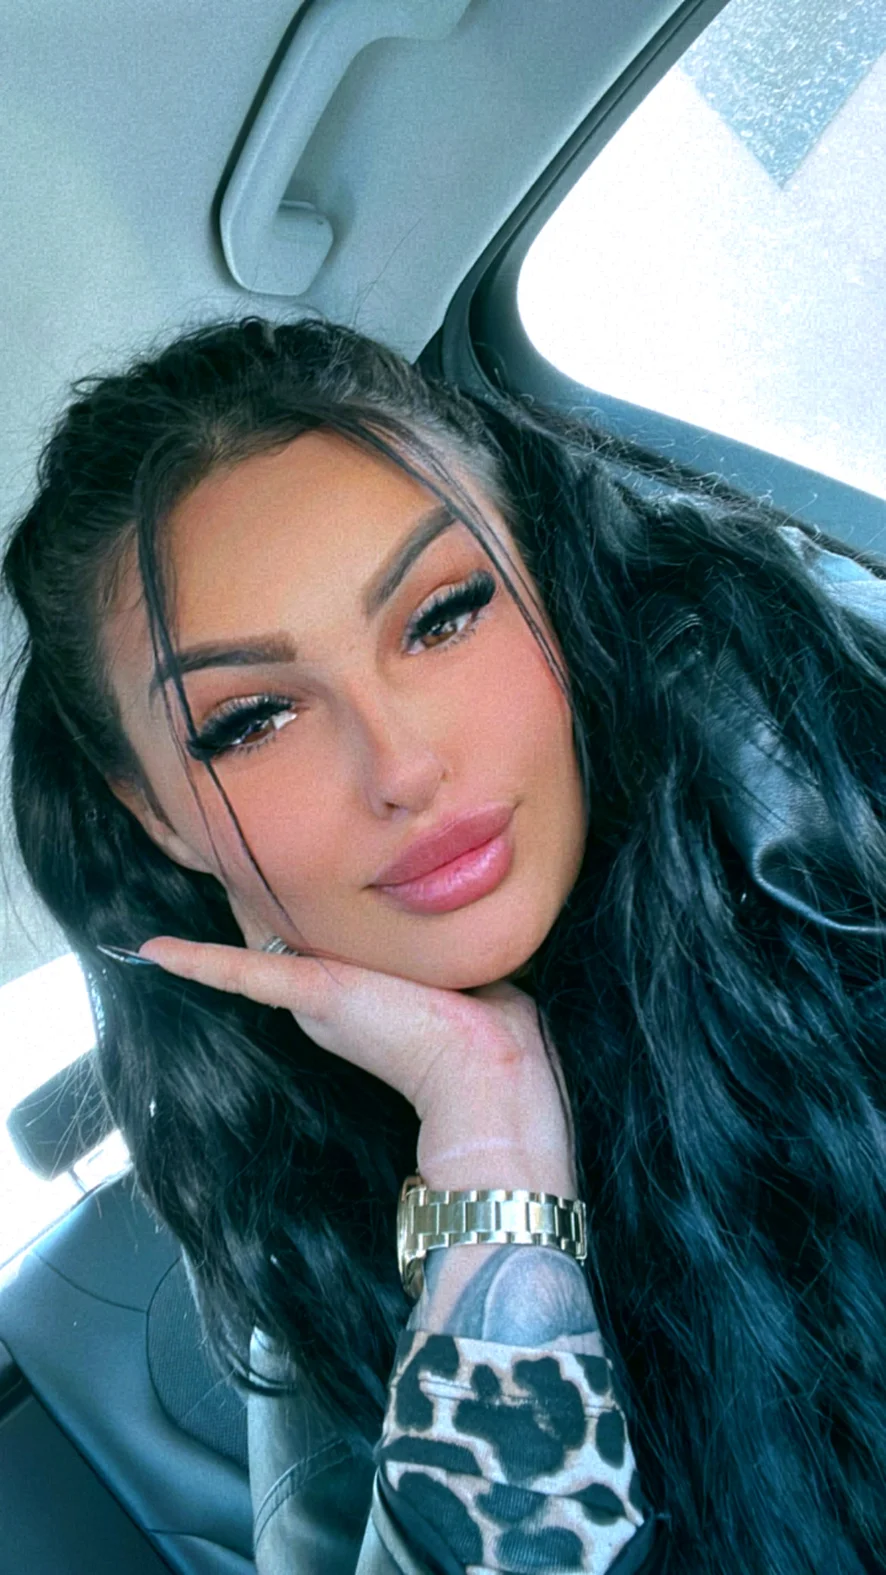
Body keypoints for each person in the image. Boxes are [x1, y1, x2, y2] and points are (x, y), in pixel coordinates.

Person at [4, 316, 886, 1575]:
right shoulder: (312, 1256)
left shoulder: (841, 834)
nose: (402, 764)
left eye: (443, 615)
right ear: (156, 815)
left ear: (544, 583)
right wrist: (490, 1143)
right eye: (251, 721)